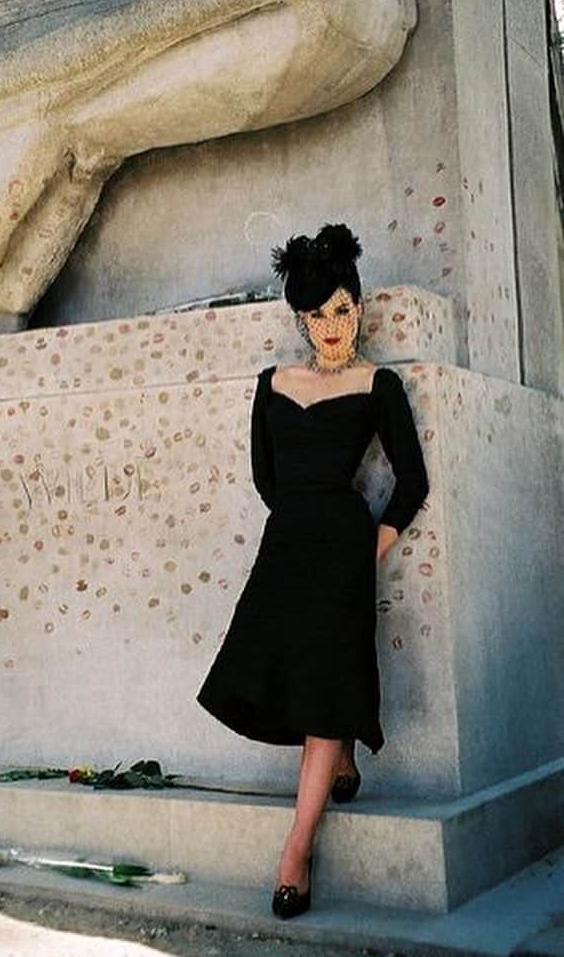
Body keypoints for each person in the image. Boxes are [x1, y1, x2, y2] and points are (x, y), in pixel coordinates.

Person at [196, 221, 430, 919]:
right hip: (286, 547)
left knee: (325, 682)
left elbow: (411, 482)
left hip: (341, 553)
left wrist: (366, 554)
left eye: (343, 309)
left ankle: (295, 853)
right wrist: (300, 530)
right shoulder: (270, 384)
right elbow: (266, 478)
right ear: (300, 319)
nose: (332, 326)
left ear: (358, 308)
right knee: (286, 675)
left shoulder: (377, 384)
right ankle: (345, 754)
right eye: (318, 314)